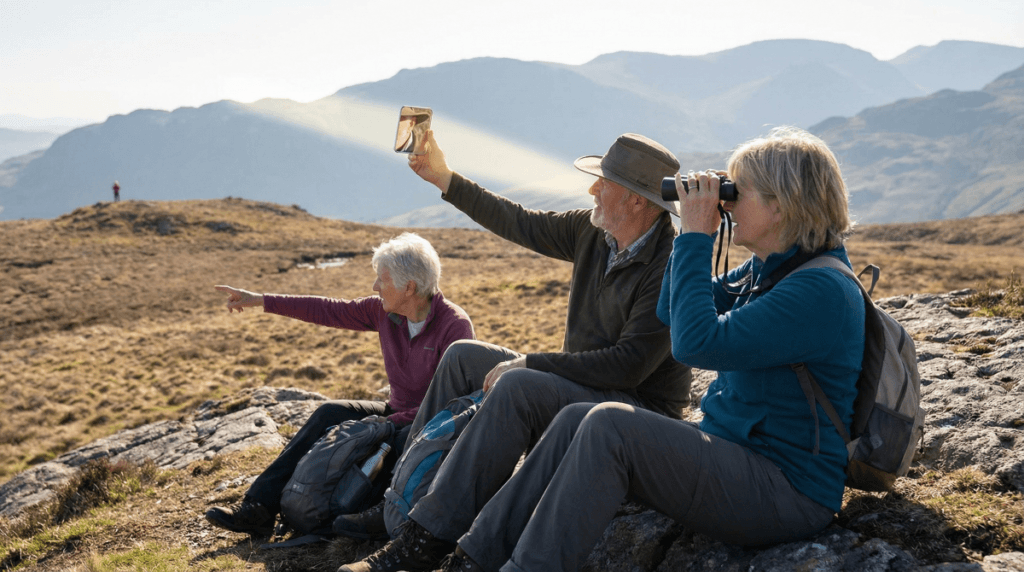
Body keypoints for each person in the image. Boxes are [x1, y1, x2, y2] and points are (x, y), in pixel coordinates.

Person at [415, 126, 865, 572]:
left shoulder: (818, 289)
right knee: (578, 418)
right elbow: (674, 309)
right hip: (735, 455)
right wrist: (690, 227)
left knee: (610, 425)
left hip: (785, 489)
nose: (726, 201)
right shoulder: (770, 269)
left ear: (781, 206)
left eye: (738, 191)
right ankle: (470, 559)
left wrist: (691, 234)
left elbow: (692, 342)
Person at [338, 131, 693, 572]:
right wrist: (444, 178)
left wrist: (530, 363)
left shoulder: (671, 262)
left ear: (637, 201)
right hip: (584, 384)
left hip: (636, 408)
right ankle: (404, 498)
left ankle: (423, 544)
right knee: (464, 356)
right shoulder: (593, 232)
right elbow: (519, 221)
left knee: (520, 384)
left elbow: (629, 366)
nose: (592, 189)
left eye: (604, 182)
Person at [204, 233, 475, 537]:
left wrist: (391, 422)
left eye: (381, 280)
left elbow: (455, 406)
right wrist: (259, 300)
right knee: (330, 412)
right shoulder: (383, 312)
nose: (375, 287)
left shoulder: (455, 326)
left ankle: (381, 516)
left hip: (428, 425)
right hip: (394, 411)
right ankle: (259, 508)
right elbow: (328, 309)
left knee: (397, 445)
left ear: (408, 287)